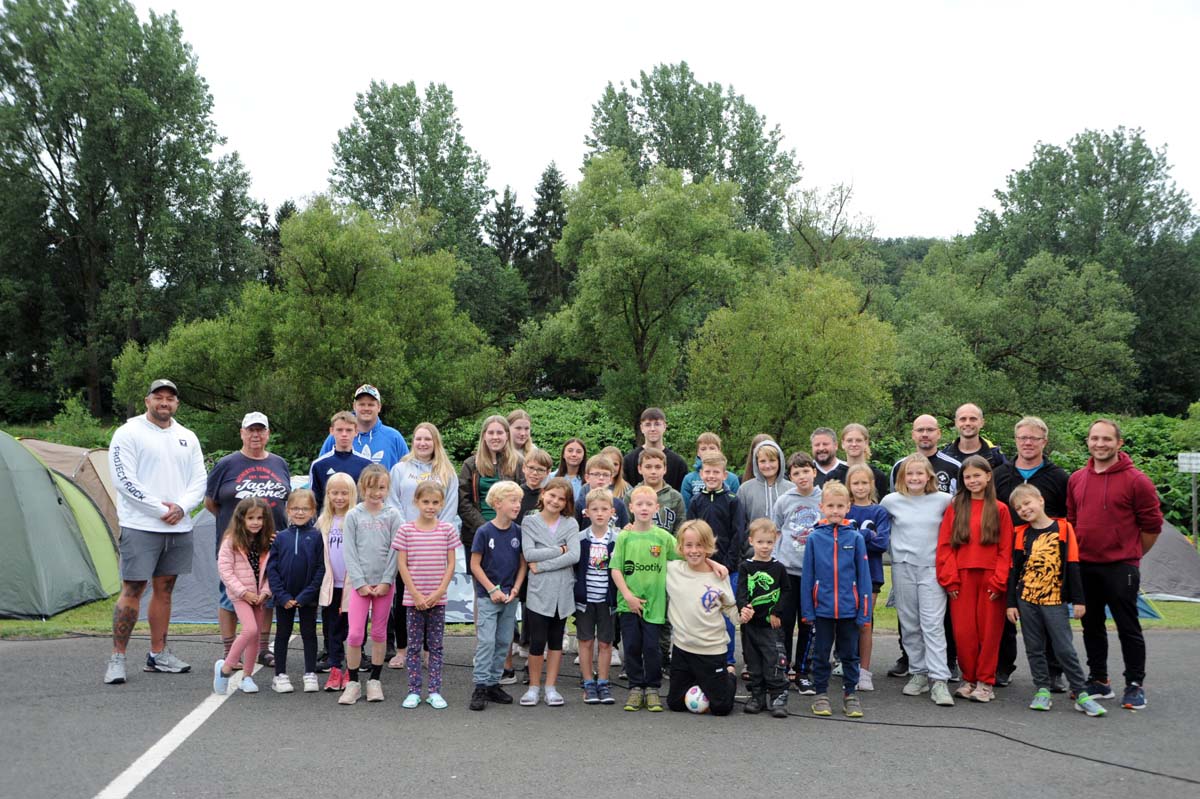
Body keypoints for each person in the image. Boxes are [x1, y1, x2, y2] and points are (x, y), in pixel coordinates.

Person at [105, 379, 207, 685]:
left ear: (176, 404)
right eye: (158, 397)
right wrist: (160, 509)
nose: (164, 402)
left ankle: (158, 654)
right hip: (141, 525)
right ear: (147, 400)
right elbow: (124, 480)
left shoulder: (187, 436)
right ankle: (117, 658)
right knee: (133, 589)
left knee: (165, 590)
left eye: (170, 399)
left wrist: (182, 507)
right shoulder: (128, 433)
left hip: (179, 525)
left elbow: (199, 479)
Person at [1067, 419, 1163, 710]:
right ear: (1088, 442)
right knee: (1091, 625)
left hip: (1122, 566)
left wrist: (1132, 555)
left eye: (1107, 439)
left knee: (1128, 626)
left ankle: (1135, 684)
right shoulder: (1077, 478)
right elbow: (1072, 521)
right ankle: (1099, 680)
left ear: (1119, 443)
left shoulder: (1137, 480)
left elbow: (1152, 526)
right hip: (1085, 564)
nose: (1100, 444)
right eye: (1094, 438)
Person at [1006, 484, 1106, 716]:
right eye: (1019, 508)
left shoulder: (1063, 527)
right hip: (1026, 599)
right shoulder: (1020, 533)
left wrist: (1078, 600)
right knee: (1034, 647)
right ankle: (1042, 689)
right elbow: (1014, 571)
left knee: (1064, 647)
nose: (1024, 509)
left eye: (1027, 503)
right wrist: (1011, 603)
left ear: (1040, 500)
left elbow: (1072, 564)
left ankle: (1081, 692)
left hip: (1054, 599)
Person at [205, 411, 291, 671]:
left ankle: (263, 649)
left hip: (270, 542)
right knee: (229, 596)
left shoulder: (279, 463)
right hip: (236, 546)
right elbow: (211, 502)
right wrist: (236, 530)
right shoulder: (226, 464)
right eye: (250, 430)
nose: (256, 435)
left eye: (260, 430)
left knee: (266, 596)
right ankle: (230, 649)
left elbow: (285, 499)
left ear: (267, 434)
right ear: (242, 433)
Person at [993, 415, 1070, 689]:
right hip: (1007, 554)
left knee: (1048, 614)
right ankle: (1003, 667)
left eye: (1033, 438)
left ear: (1044, 442)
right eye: (1022, 437)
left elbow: (1066, 518)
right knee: (1006, 613)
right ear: (1015, 440)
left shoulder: (1059, 477)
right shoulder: (1001, 475)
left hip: (1046, 557)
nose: (1027, 442)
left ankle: (1053, 672)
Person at [936, 456, 1013, 703]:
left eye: (977, 476)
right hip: (962, 578)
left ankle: (985, 682)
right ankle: (968, 678)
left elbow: (1005, 549)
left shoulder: (1000, 509)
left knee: (989, 633)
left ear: (988, 476)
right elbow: (945, 545)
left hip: (991, 579)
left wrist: (999, 581)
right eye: (967, 477)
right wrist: (950, 580)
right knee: (964, 632)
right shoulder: (956, 506)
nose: (972, 481)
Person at [882, 454, 955, 706]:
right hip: (903, 568)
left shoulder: (944, 500)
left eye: (919, 474)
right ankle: (918, 673)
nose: (914, 478)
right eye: (909, 474)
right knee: (910, 624)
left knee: (932, 624)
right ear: (902, 477)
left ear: (929, 477)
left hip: (932, 569)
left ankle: (939, 680)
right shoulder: (890, 501)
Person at [387, 421, 460, 669]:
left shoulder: (447, 472)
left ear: (435, 442)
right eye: (418, 439)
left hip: (436, 542)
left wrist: (437, 534)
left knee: (433, 597)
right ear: (413, 441)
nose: (423, 443)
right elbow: (393, 501)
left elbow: (449, 506)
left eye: (427, 439)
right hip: (407, 539)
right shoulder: (399, 469)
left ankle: (430, 651)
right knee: (403, 596)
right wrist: (410, 531)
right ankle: (403, 649)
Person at [801, 481, 872, 718]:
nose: (835, 510)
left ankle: (850, 694)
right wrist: (808, 610)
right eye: (830, 505)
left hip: (849, 610)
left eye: (840, 506)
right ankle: (820, 693)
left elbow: (864, 578)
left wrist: (864, 611)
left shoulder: (855, 537)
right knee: (821, 654)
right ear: (821, 507)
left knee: (850, 654)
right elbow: (808, 578)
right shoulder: (814, 538)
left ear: (848, 507)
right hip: (822, 610)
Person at [338, 465, 402, 705]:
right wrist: (360, 582)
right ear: (362, 487)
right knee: (355, 634)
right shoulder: (354, 515)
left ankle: (374, 680)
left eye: (382, 488)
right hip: (360, 587)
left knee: (378, 632)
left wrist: (387, 580)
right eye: (372, 487)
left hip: (384, 585)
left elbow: (396, 550)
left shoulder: (393, 515)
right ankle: (353, 682)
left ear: (387, 489)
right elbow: (350, 552)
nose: (376, 492)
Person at [392, 482, 458, 710]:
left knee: (436, 646)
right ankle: (413, 690)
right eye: (426, 502)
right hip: (414, 600)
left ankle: (434, 691)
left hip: (437, 600)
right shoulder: (406, 530)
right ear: (416, 502)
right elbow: (402, 564)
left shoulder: (447, 529)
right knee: (413, 646)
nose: (430, 507)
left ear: (441, 504)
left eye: (435, 502)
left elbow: (451, 564)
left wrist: (439, 591)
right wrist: (415, 594)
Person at [665, 520, 739, 717]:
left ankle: (729, 675)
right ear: (681, 547)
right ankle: (699, 680)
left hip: (711, 650)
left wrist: (743, 616)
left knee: (721, 708)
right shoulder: (672, 569)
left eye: (700, 545)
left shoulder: (719, 576)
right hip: (683, 649)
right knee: (675, 704)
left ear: (708, 546)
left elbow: (731, 609)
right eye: (688, 545)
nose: (694, 550)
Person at [519, 477, 581, 707]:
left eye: (561, 498)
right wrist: (560, 549)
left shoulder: (571, 524)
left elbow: (574, 556)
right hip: (538, 592)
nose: (555, 501)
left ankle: (551, 687)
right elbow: (529, 554)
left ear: (567, 503)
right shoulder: (530, 522)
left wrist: (543, 565)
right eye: (552, 495)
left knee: (556, 642)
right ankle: (533, 687)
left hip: (562, 591)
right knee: (537, 643)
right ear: (543, 494)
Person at [468, 481, 527, 711]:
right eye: (513, 500)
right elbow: (475, 564)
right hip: (488, 597)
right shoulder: (484, 531)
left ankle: (493, 683)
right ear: (497, 503)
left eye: (519, 501)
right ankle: (480, 685)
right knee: (487, 641)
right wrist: (492, 589)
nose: (517, 505)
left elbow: (522, 564)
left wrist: (516, 589)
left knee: (504, 641)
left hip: (509, 598)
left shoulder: (518, 532)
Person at [686, 452, 745, 670]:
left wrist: (728, 565)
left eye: (715, 472)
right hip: (701, 567)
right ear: (701, 474)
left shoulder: (732, 501)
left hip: (727, 569)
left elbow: (738, 534)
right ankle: (700, 655)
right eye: (707, 472)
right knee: (701, 611)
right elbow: (689, 533)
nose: (711, 476)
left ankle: (727, 659)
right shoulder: (695, 500)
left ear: (724, 474)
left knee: (727, 615)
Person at [770, 452, 822, 693]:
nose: (802, 476)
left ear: (814, 471)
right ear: (790, 476)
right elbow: (777, 530)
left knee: (808, 624)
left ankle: (802, 672)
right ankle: (783, 670)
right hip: (787, 571)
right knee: (784, 623)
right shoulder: (784, 500)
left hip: (813, 573)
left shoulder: (823, 498)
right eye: (796, 473)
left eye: (805, 471)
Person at [213, 497, 275, 695]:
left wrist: (265, 592)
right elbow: (225, 570)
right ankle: (225, 669)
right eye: (251, 518)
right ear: (241, 519)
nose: (256, 522)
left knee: (255, 636)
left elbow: (274, 571)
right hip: (241, 595)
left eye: (260, 518)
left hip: (259, 596)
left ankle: (247, 677)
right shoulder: (231, 541)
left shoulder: (269, 541)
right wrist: (244, 592)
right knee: (249, 629)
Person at [267, 489, 325, 694]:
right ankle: (280, 675)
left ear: (313, 511)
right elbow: (272, 569)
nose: (300, 513)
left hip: (307, 598)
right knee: (282, 634)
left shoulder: (317, 537)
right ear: (288, 510)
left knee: (309, 634)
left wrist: (305, 595)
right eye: (295, 508)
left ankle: (310, 673)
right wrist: (282, 595)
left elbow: (321, 568)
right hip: (284, 598)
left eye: (305, 509)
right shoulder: (280, 537)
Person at [736, 518, 790, 717]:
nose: (765, 546)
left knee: (773, 660)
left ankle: (778, 696)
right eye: (760, 542)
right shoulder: (746, 567)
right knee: (753, 661)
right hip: (750, 624)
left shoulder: (778, 568)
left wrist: (776, 612)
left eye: (768, 542)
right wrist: (743, 608)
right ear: (751, 541)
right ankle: (757, 695)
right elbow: (741, 591)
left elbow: (786, 591)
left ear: (775, 541)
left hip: (770, 625)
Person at [845, 463, 891, 691]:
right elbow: (841, 542)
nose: (860, 487)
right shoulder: (845, 510)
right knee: (845, 621)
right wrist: (866, 536)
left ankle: (864, 671)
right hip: (845, 574)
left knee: (865, 622)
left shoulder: (879, 511)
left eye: (864, 482)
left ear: (872, 484)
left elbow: (882, 543)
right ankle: (847, 665)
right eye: (856, 483)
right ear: (849, 486)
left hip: (871, 574)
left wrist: (857, 536)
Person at [575, 489, 619, 705]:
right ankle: (588, 681)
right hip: (585, 600)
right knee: (585, 641)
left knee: (605, 643)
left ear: (612, 512)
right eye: (595, 509)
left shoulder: (618, 540)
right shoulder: (580, 539)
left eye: (604, 509)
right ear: (586, 512)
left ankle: (603, 681)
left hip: (607, 600)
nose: (600, 514)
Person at [458, 415, 523, 548]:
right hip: (477, 532)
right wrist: (486, 528)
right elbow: (463, 501)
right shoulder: (471, 464)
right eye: (491, 432)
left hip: (510, 532)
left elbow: (524, 497)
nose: (495, 437)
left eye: (499, 432)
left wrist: (507, 526)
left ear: (507, 436)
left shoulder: (518, 463)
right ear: (484, 436)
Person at [317, 472, 356, 692]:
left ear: (352, 494)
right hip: (331, 586)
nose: (339, 497)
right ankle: (335, 667)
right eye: (335, 493)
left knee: (352, 630)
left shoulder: (356, 518)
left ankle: (352, 667)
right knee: (332, 629)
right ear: (328, 495)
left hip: (353, 586)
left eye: (344, 493)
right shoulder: (324, 521)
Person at [317, 384, 409, 468]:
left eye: (371, 404)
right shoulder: (338, 435)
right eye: (361, 404)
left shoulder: (394, 437)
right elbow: (320, 468)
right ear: (354, 406)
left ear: (379, 407)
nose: (366, 408)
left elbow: (407, 472)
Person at [310, 411, 372, 511]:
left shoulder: (367, 465)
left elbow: (370, 499)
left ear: (356, 431)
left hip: (358, 523)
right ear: (331, 431)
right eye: (339, 430)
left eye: (348, 430)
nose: (344, 434)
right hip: (327, 522)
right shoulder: (319, 465)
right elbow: (314, 501)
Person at [938, 403, 1006, 492]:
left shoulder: (995, 456)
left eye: (973, 419)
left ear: (982, 423)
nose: (967, 423)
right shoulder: (945, 456)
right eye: (963, 419)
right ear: (956, 423)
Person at [622, 407, 689, 492]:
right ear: (642, 428)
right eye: (648, 424)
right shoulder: (628, 462)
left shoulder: (679, 464)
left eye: (657, 424)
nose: (652, 429)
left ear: (664, 426)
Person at [737, 438, 786, 530]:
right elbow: (739, 522)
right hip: (754, 543)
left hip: (784, 543)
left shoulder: (791, 489)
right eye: (763, 461)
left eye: (772, 460)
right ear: (756, 463)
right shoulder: (745, 489)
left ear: (780, 461)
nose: (767, 466)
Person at [680, 432, 741, 503]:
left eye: (712, 448)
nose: (707, 452)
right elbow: (686, 509)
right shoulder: (689, 479)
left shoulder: (732, 479)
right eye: (703, 449)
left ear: (719, 450)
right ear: (698, 452)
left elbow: (736, 505)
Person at [636, 447, 685, 534]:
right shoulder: (632, 495)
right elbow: (626, 527)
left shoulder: (675, 497)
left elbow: (680, 529)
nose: (653, 471)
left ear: (665, 469)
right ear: (640, 469)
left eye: (658, 467)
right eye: (648, 467)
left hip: (668, 546)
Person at [574, 454, 630, 531]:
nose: (601, 478)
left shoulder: (619, 504)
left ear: (611, 479)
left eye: (605, 475)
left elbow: (625, 530)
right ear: (587, 478)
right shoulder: (580, 504)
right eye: (596, 474)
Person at [838, 423, 890, 500]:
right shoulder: (834, 476)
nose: (854, 444)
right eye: (849, 440)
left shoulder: (878, 476)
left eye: (858, 440)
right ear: (843, 444)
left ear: (866, 443)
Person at [519, 448, 553, 518]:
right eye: (531, 468)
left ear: (548, 472)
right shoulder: (515, 493)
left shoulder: (548, 497)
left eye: (540, 470)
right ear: (524, 468)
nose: (535, 473)